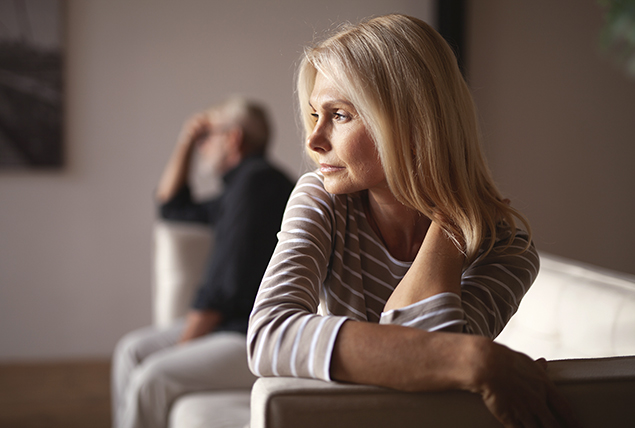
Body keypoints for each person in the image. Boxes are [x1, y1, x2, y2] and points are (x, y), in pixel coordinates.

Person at [247, 14, 580, 428]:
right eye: (315, 114)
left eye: (341, 115)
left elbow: (433, 352)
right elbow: (269, 336)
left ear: (412, 122)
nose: (313, 140)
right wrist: (477, 359)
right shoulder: (324, 201)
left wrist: (452, 224)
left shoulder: (506, 245)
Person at [112, 97, 294, 428]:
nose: (202, 147)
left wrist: (182, 349)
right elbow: (171, 207)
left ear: (234, 138)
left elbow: (224, 286)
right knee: (130, 352)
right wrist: (186, 140)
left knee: (152, 378)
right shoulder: (239, 187)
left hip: (254, 335)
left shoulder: (259, 185)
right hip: (230, 328)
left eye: (206, 137)